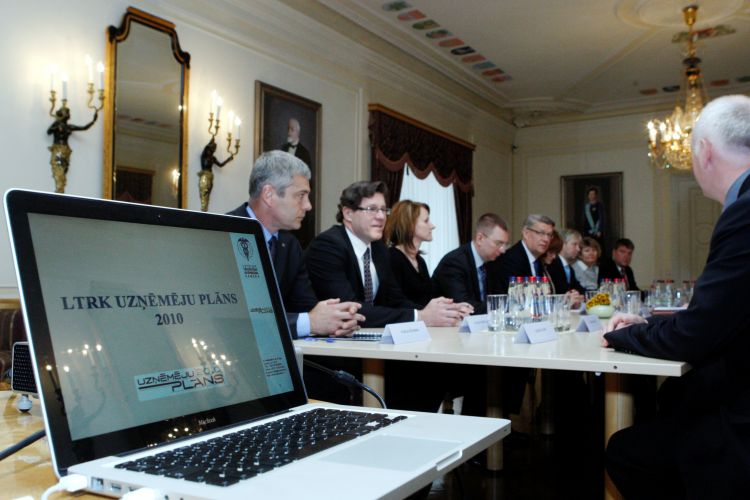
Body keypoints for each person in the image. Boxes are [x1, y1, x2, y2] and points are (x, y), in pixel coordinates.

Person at [602, 95, 750, 498]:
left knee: (629, 448)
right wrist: (649, 322)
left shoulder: (743, 212)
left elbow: (696, 335)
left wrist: (623, 333)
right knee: (675, 394)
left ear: (703, 151)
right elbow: (721, 315)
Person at [227, 150, 363, 339]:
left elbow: (305, 308)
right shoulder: (222, 235)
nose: (308, 206)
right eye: (301, 195)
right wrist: (310, 322)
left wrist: (336, 319)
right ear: (269, 194)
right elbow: (233, 318)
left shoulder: (290, 245)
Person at [305, 181, 473, 328]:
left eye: (383, 210)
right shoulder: (327, 246)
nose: (381, 217)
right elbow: (350, 309)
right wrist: (420, 317)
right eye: (372, 209)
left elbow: (395, 300)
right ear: (348, 213)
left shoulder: (379, 249)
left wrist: (443, 313)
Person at [432, 213, 509, 313]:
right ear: (480, 239)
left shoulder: (492, 262)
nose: (503, 250)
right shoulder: (454, 263)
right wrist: (506, 306)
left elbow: (499, 296)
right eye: (498, 243)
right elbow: (465, 307)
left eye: (505, 244)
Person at [383, 200, 436, 307]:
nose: (432, 226)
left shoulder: (420, 261)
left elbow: (428, 299)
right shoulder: (392, 258)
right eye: (426, 221)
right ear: (410, 225)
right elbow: (395, 302)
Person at [47, 106, 98, 193]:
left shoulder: (69, 127)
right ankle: (59, 189)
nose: (69, 115)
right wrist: (56, 127)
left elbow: (84, 128)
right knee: (58, 169)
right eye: (67, 113)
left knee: (64, 169)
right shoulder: (57, 124)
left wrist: (93, 120)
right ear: (63, 114)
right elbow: (48, 132)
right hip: (58, 150)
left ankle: (60, 188)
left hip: (66, 150)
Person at [198, 137, 234, 211]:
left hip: (210, 177)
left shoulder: (213, 158)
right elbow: (206, 147)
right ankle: (203, 209)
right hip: (204, 176)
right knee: (204, 193)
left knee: (208, 194)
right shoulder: (204, 155)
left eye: (215, 148)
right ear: (210, 147)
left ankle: (205, 209)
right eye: (213, 148)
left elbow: (220, 164)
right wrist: (212, 138)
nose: (214, 149)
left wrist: (228, 159)